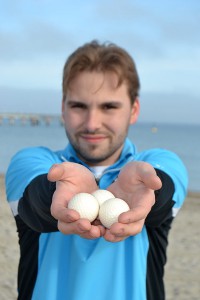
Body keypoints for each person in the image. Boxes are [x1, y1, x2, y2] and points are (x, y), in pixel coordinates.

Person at [6, 40, 188, 300]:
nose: (92, 124)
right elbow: (34, 198)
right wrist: (56, 192)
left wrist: (149, 193)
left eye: (109, 107)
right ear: (63, 108)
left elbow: (163, 187)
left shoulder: (159, 163)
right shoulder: (33, 162)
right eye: (79, 106)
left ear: (133, 110)